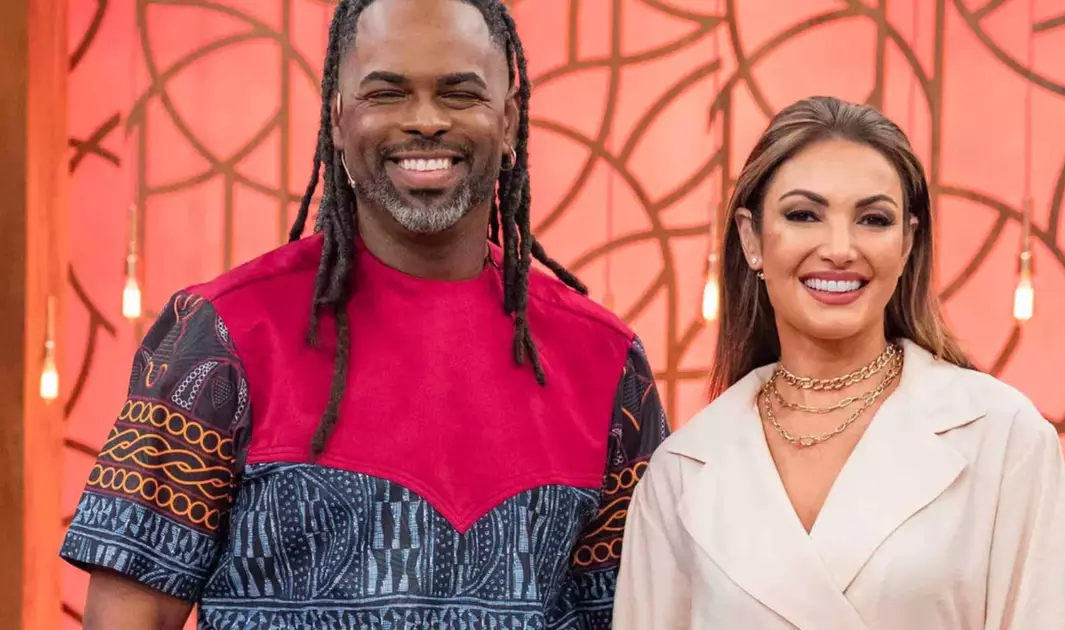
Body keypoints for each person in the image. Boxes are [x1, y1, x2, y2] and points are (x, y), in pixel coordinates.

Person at [60, 0, 669, 627]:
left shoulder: (606, 362)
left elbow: (644, 611)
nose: (426, 120)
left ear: (509, 120)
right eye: (387, 93)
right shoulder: (223, 334)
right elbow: (128, 617)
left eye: (460, 94)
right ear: (337, 117)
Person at [612, 96, 1065, 629]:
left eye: (873, 219)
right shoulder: (681, 471)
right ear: (751, 238)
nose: (840, 248)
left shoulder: (1003, 436)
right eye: (803, 215)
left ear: (907, 243)